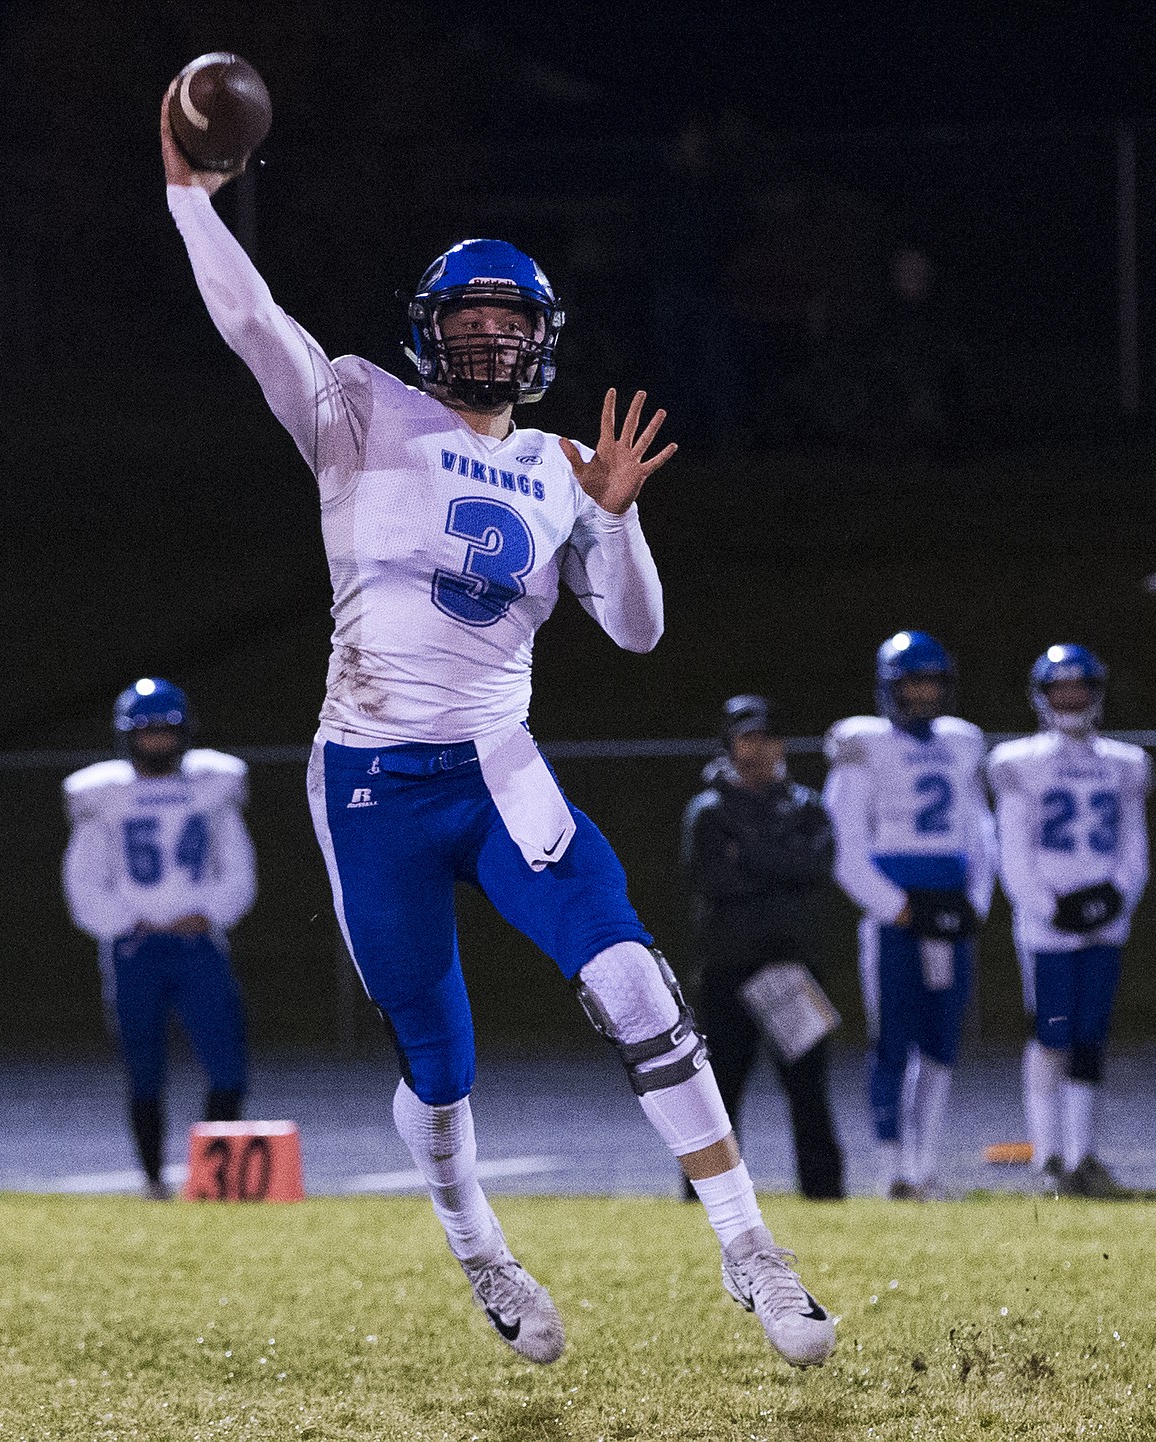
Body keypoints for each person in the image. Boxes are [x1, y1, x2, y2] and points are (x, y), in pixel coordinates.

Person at [160, 91, 834, 1369]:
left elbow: (635, 631)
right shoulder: (355, 407)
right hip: (368, 781)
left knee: (634, 977)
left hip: (497, 765)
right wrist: (192, 192)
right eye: (465, 318)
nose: (484, 337)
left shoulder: (561, 465)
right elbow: (251, 318)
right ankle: (483, 1249)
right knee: (440, 1060)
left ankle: (750, 1243)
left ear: (538, 338)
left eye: (505, 319)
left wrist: (620, 516)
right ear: (428, 333)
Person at [62, 678, 256, 1199]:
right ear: (127, 737)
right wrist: (126, 922)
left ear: (184, 732)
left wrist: (212, 911)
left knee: (227, 1065)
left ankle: (222, 1183)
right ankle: (153, 1181)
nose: (156, 742)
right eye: (145, 732)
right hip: (134, 949)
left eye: (165, 731)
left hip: (199, 947)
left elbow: (237, 867)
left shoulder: (213, 785)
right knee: (144, 1070)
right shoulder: (103, 794)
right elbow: (84, 880)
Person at [823, 632, 995, 1199]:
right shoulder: (864, 745)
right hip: (895, 913)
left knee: (943, 1038)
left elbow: (980, 829)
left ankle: (925, 1166)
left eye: (930, 682)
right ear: (889, 687)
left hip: (949, 906)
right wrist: (897, 907)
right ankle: (893, 1166)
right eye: (911, 683)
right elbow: (845, 848)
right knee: (893, 1038)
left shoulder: (963, 742)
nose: (922, 694)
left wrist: (975, 901)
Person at [987, 645, 1150, 1197]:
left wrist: (1116, 896)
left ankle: (1082, 1156)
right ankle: (1048, 1157)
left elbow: (1133, 844)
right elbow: (1011, 851)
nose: (1072, 698)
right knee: (1051, 1032)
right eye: (1061, 689)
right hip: (1047, 924)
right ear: (1043, 696)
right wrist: (1051, 906)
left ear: (1096, 692)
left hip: (1105, 920)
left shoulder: (1125, 762)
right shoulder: (1017, 761)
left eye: (1079, 688)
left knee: (1090, 1035)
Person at [681, 694, 844, 1201]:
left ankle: (824, 1195)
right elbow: (711, 879)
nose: (757, 748)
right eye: (747, 737)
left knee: (809, 1092)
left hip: (792, 971)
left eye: (766, 737)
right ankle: (708, 1198)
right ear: (729, 744)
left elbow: (816, 870)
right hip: (728, 971)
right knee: (718, 1096)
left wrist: (749, 854)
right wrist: (778, 863)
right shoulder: (707, 810)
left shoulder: (807, 806)